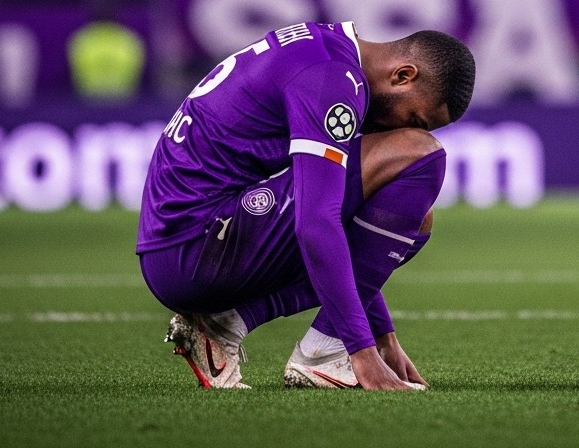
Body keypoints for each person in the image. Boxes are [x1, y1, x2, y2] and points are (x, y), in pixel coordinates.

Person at [138, 22, 475, 391]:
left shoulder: (327, 52)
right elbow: (316, 222)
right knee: (419, 153)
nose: (405, 127)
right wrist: (361, 350)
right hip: (194, 247)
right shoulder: (333, 78)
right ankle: (324, 355)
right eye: (414, 119)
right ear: (403, 75)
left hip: (182, 244)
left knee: (415, 217)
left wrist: (384, 336)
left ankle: (227, 323)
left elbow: (350, 232)